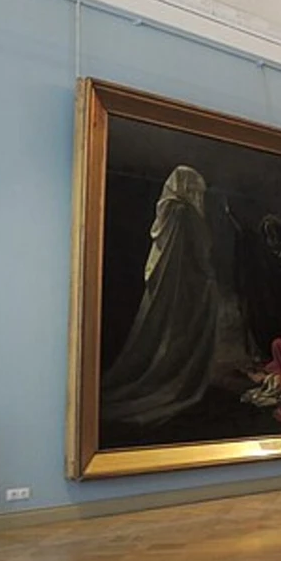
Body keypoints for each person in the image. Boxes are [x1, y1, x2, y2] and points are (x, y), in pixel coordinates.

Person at [101, 165, 219, 428]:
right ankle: (173, 379)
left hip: (176, 282)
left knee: (168, 333)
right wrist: (205, 279)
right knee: (175, 334)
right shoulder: (183, 212)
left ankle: (171, 375)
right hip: (184, 285)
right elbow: (196, 252)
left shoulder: (170, 208)